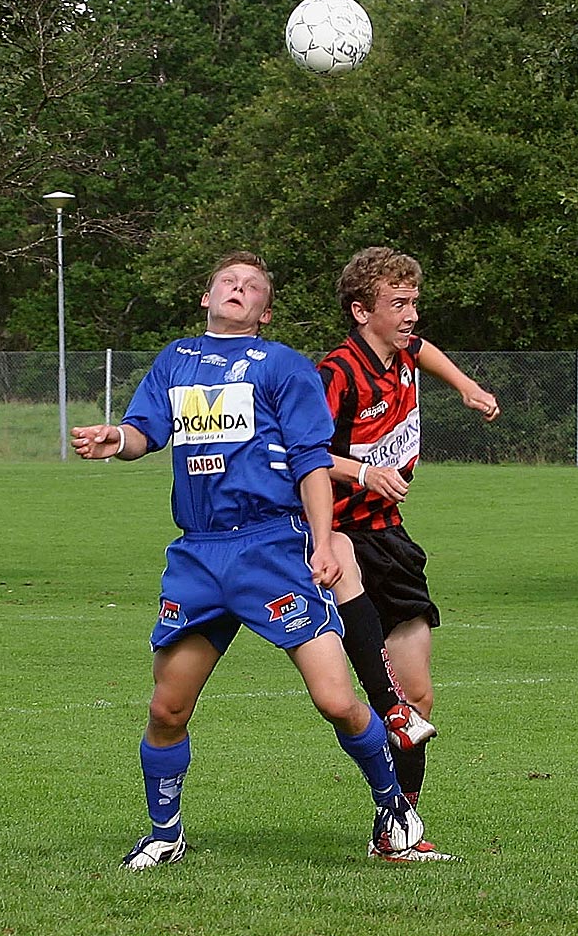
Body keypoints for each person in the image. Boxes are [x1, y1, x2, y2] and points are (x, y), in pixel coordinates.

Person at [70, 251, 423, 869]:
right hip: (200, 556)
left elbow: (313, 462)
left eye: (252, 286)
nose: (238, 289)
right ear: (207, 298)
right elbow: (141, 434)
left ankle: (395, 809)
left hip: (272, 549)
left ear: (265, 309)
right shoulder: (175, 361)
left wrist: (320, 543)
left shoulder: (284, 366)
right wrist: (113, 439)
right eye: (227, 282)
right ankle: (164, 832)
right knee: (166, 708)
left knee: (337, 701)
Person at [317, 246, 500, 861]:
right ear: (361, 310)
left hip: (392, 537)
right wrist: (364, 474)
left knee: (418, 696)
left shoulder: (403, 355)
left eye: (414, 301)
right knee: (381, 696)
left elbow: (426, 353)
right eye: (399, 304)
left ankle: (398, 828)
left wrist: (468, 388)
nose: (412, 314)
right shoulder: (336, 372)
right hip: (343, 540)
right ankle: (392, 805)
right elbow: (302, 455)